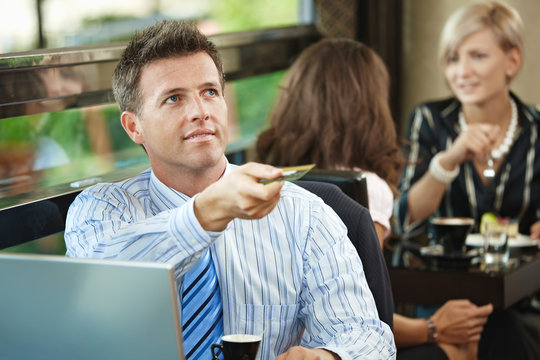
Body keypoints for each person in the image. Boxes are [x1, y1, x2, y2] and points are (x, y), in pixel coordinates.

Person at [63, 20, 396, 360]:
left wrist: (328, 357)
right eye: (174, 98)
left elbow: (369, 337)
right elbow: (103, 287)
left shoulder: (305, 213)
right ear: (134, 126)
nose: (200, 112)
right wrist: (207, 213)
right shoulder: (102, 209)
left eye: (209, 92)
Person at [255, 38, 493, 360]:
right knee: (461, 347)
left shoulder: (263, 180)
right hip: (336, 348)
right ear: (371, 107)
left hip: (273, 346)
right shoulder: (365, 189)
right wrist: (433, 328)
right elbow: (368, 313)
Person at [394, 1, 540, 359]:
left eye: (477, 56)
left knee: (504, 328)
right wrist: (450, 158)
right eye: (452, 58)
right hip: (442, 299)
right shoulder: (429, 121)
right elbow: (405, 220)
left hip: (523, 299)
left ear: (512, 61)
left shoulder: (536, 130)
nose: (461, 72)